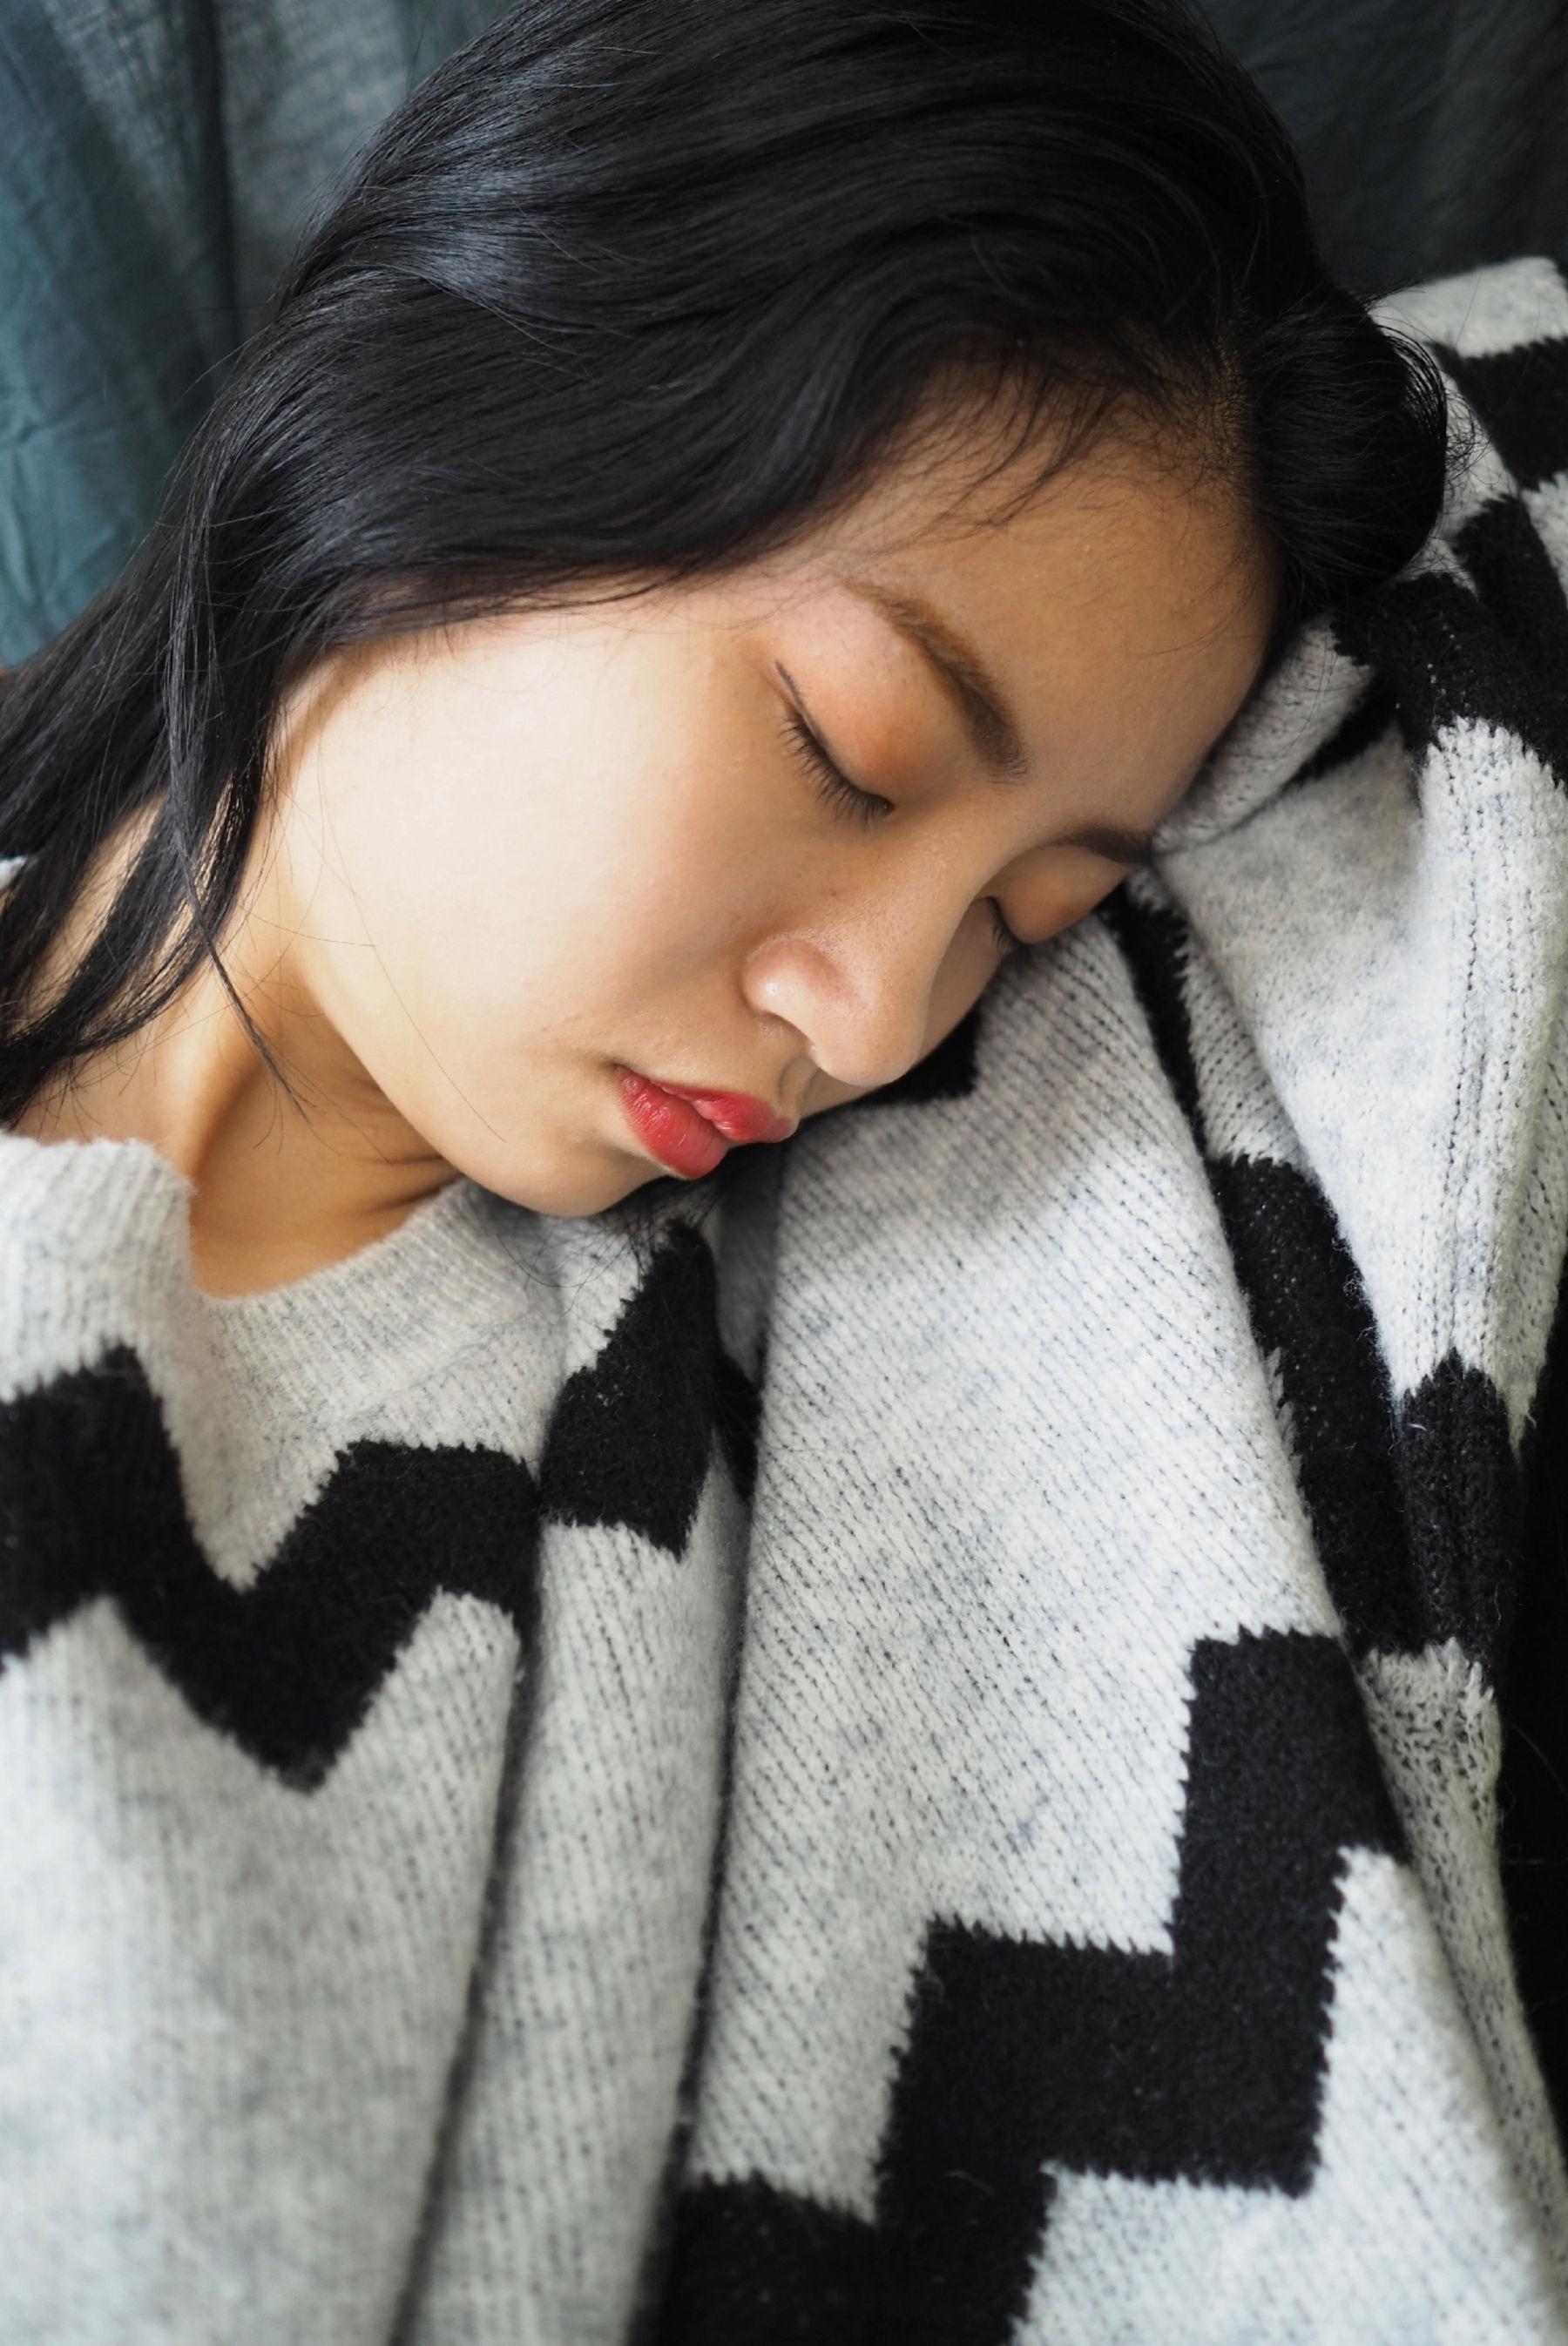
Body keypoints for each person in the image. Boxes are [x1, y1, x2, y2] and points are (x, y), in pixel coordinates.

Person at [3, 3, 1507, 2339]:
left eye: (1023, 916)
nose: (885, 1018)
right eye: (850, 757)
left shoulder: (710, 1400)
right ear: (445, 419)